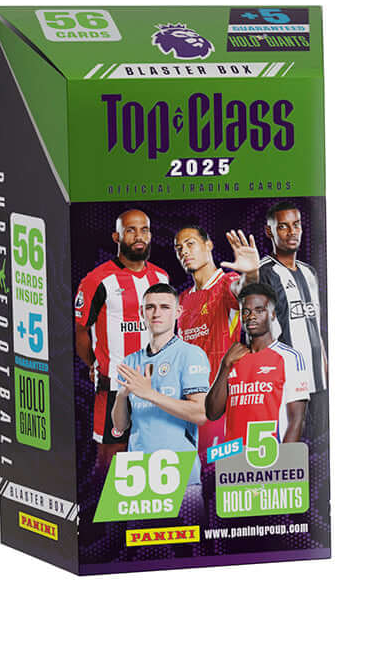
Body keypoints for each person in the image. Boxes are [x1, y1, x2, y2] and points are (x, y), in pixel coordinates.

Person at [74, 209, 169, 475]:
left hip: (157, 386)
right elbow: (81, 331)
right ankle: (101, 502)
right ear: (117, 236)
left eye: (144, 230)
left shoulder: (161, 278)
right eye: (130, 230)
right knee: (111, 459)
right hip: (115, 386)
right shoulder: (97, 280)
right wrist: (94, 364)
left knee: (156, 455)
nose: (139, 236)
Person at [112, 283, 210, 517]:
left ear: (177, 312)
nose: (157, 313)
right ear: (141, 313)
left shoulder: (190, 354)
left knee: (187, 541)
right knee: (138, 541)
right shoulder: (130, 361)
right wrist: (122, 395)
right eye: (150, 307)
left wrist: (150, 394)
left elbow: (201, 413)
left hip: (180, 475)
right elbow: (120, 425)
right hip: (136, 477)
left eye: (165, 307)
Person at [173, 225, 259, 457]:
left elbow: (245, 292)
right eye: (179, 248)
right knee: (193, 473)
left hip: (219, 402)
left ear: (208, 245)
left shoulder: (226, 283)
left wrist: (251, 274)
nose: (184, 251)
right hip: (190, 406)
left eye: (190, 244)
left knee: (216, 469)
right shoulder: (183, 299)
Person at [205, 283, 309, 444]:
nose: (251, 316)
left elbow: (297, 419)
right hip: (234, 456)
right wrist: (225, 366)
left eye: (259, 310)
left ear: (272, 314)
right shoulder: (232, 358)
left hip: (271, 454)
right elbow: (212, 413)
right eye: (246, 311)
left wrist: (284, 457)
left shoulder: (290, 357)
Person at [257, 201, 328, 436]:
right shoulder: (264, 272)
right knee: (294, 444)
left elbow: (314, 324)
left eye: (296, 225)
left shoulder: (310, 272)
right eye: (283, 226)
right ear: (269, 231)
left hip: (319, 378)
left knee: (322, 442)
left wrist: (326, 365)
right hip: (288, 380)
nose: (292, 232)